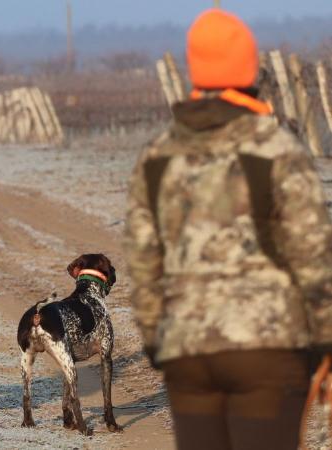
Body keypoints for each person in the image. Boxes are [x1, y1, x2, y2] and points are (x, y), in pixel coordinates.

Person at [124, 9, 332, 450]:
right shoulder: (276, 147)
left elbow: (143, 262)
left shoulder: (158, 153)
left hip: (189, 357)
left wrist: (157, 339)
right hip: (267, 355)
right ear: (248, 66)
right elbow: (314, 258)